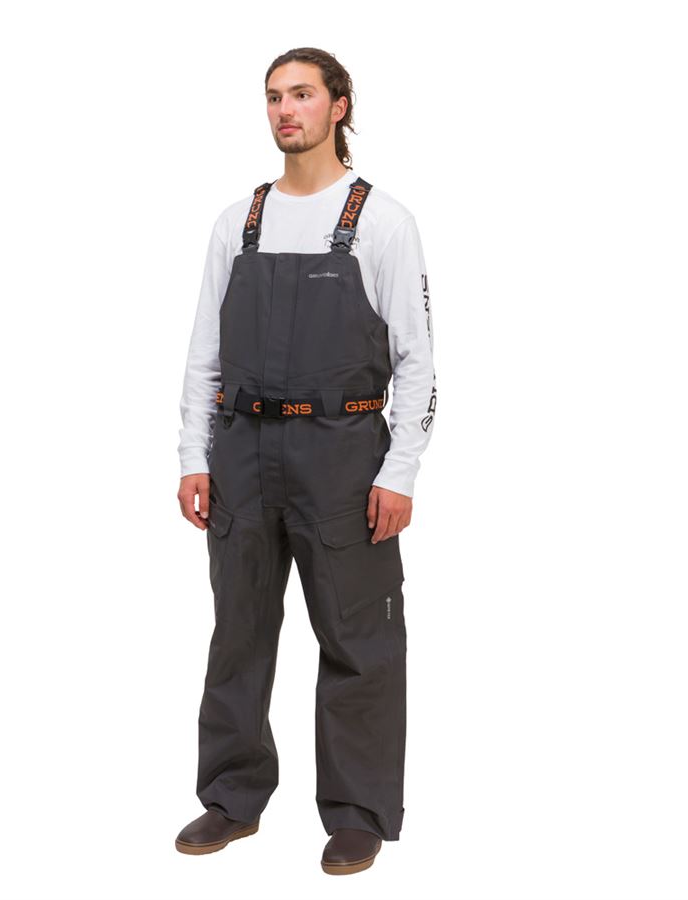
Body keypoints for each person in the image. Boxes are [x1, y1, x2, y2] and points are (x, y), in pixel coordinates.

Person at [174, 46, 437, 876]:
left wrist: (398, 472)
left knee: (358, 636)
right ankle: (231, 796)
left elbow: (418, 363)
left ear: (338, 105)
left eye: (302, 95)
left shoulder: (383, 221)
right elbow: (204, 353)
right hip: (242, 452)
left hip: (343, 456)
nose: (285, 110)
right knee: (239, 632)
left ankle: (358, 812)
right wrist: (193, 455)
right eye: (273, 97)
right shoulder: (238, 221)